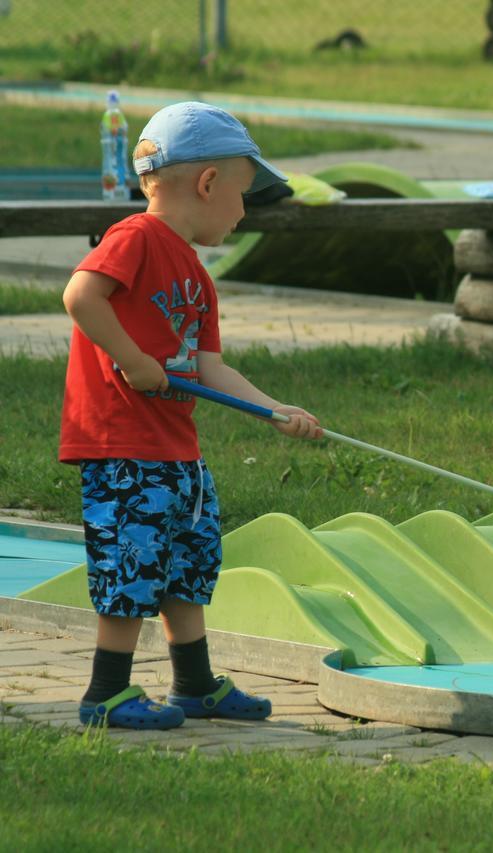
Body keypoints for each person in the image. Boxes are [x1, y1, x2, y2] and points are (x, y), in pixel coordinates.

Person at [61, 102, 323, 729]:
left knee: (188, 561)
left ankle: (195, 683)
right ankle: (106, 693)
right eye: (242, 194)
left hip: (176, 449)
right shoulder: (136, 239)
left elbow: (210, 371)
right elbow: (81, 295)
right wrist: (131, 358)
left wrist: (273, 410)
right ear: (207, 183)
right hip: (123, 446)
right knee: (133, 562)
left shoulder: (198, 279)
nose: (243, 210)